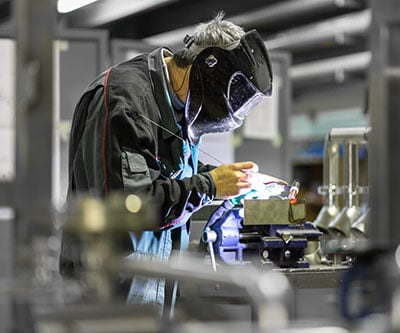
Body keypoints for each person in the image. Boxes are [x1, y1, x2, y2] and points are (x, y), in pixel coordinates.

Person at [59, 12, 275, 314]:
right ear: (205, 69)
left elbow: (161, 172)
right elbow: (133, 205)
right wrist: (210, 186)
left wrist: (222, 179)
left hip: (154, 287)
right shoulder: (126, 99)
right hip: (109, 292)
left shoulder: (177, 104)